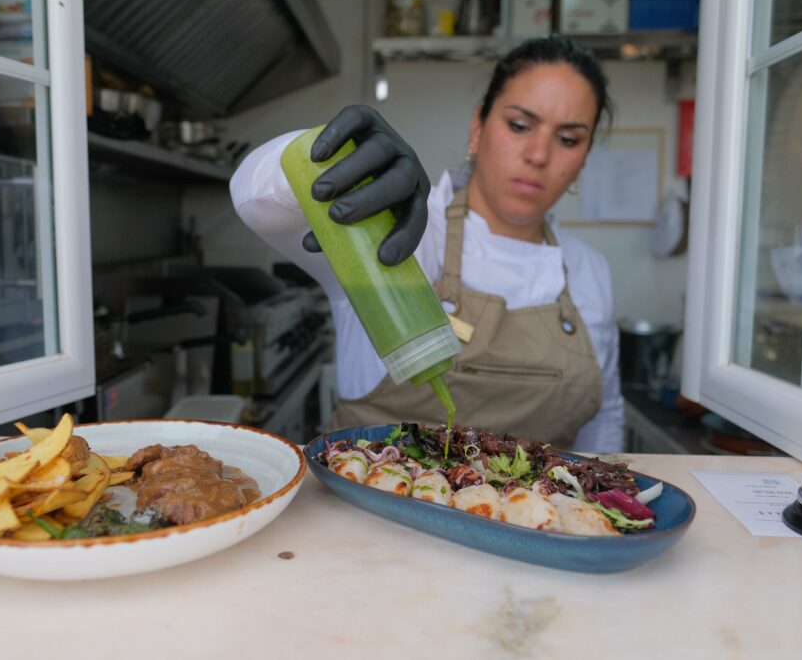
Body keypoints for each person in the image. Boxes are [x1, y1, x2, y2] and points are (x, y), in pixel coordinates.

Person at [229, 36, 623, 453]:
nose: (539, 154)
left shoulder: (588, 271)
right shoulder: (403, 230)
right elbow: (254, 201)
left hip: (536, 518)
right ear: (478, 128)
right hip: (370, 512)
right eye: (520, 126)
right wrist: (312, 155)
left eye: (568, 139)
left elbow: (605, 421)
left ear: (584, 156)